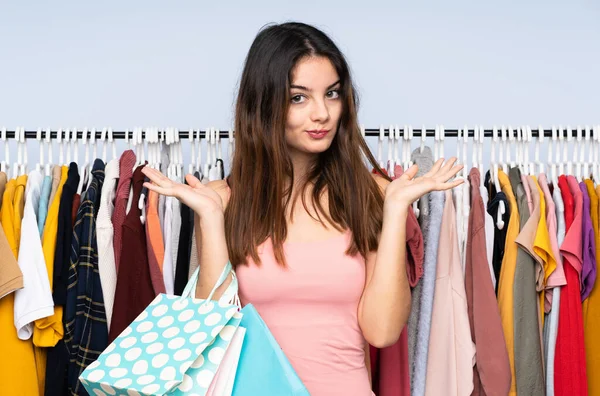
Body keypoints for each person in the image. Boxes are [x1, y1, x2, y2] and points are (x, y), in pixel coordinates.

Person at [142, 21, 463, 396]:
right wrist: (212, 219)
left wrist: (394, 212)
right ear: (264, 103)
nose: (322, 113)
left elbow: (383, 330)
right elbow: (211, 337)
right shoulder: (225, 199)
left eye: (332, 94)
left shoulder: (371, 194)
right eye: (299, 97)